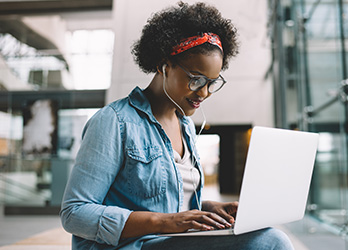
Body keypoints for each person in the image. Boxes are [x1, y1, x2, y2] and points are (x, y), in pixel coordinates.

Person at [60, 2, 295, 250]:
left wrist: (207, 209)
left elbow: (167, 201)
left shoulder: (186, 127)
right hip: (133, 245)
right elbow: (75, 213)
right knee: (270, 243)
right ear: (164, 66)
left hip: (172, 242)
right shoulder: (114, 122)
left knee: (265, 234)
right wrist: (163, 222)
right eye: (196, 79)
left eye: (212, 83)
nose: (204, 93)